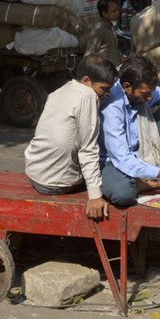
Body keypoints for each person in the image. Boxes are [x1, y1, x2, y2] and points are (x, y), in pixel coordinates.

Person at [25, 54, 117, 220]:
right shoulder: (87, 96)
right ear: (86, 81)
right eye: (104, 89)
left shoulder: (64, 89)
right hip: (55, 185)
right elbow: (88, 150)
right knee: (116, 181)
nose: (108, 93)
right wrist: (95, 196)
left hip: (35, 174)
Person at [98, 54, 160, 206]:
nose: (149, 97)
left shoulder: (142, 91)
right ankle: (140, 184)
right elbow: (122, 158)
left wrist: (157, 74)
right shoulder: (113, 107)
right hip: (111, 161)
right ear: (127, 87)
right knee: (123, 193)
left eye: (151, 92)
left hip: (136, 153)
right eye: (145, 94)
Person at [84, 0, 122, 65]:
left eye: (117, 10)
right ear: (104, 13)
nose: (117, 13)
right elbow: (88, 57)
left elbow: (114, 50)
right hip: (104, 72)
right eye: (114, 11)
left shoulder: (111, 27)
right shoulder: (99, 30)